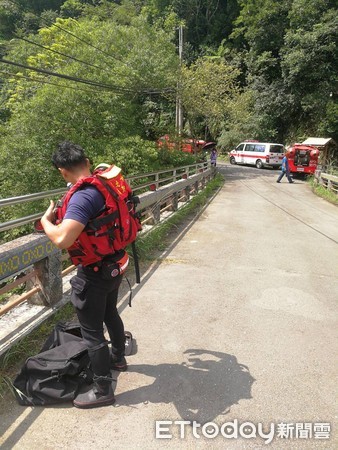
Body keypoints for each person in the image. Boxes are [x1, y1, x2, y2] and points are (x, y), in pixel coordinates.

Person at [41, 141, 128, 409]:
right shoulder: (105, 183)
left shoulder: (82, 196)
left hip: (94, 271)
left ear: (62, 171)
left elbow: (63, 240)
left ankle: (103, 389)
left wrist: (46, 220)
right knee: (110, 312)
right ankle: (118, 358)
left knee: (91, 333)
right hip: (114, 262)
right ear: (87, 162)